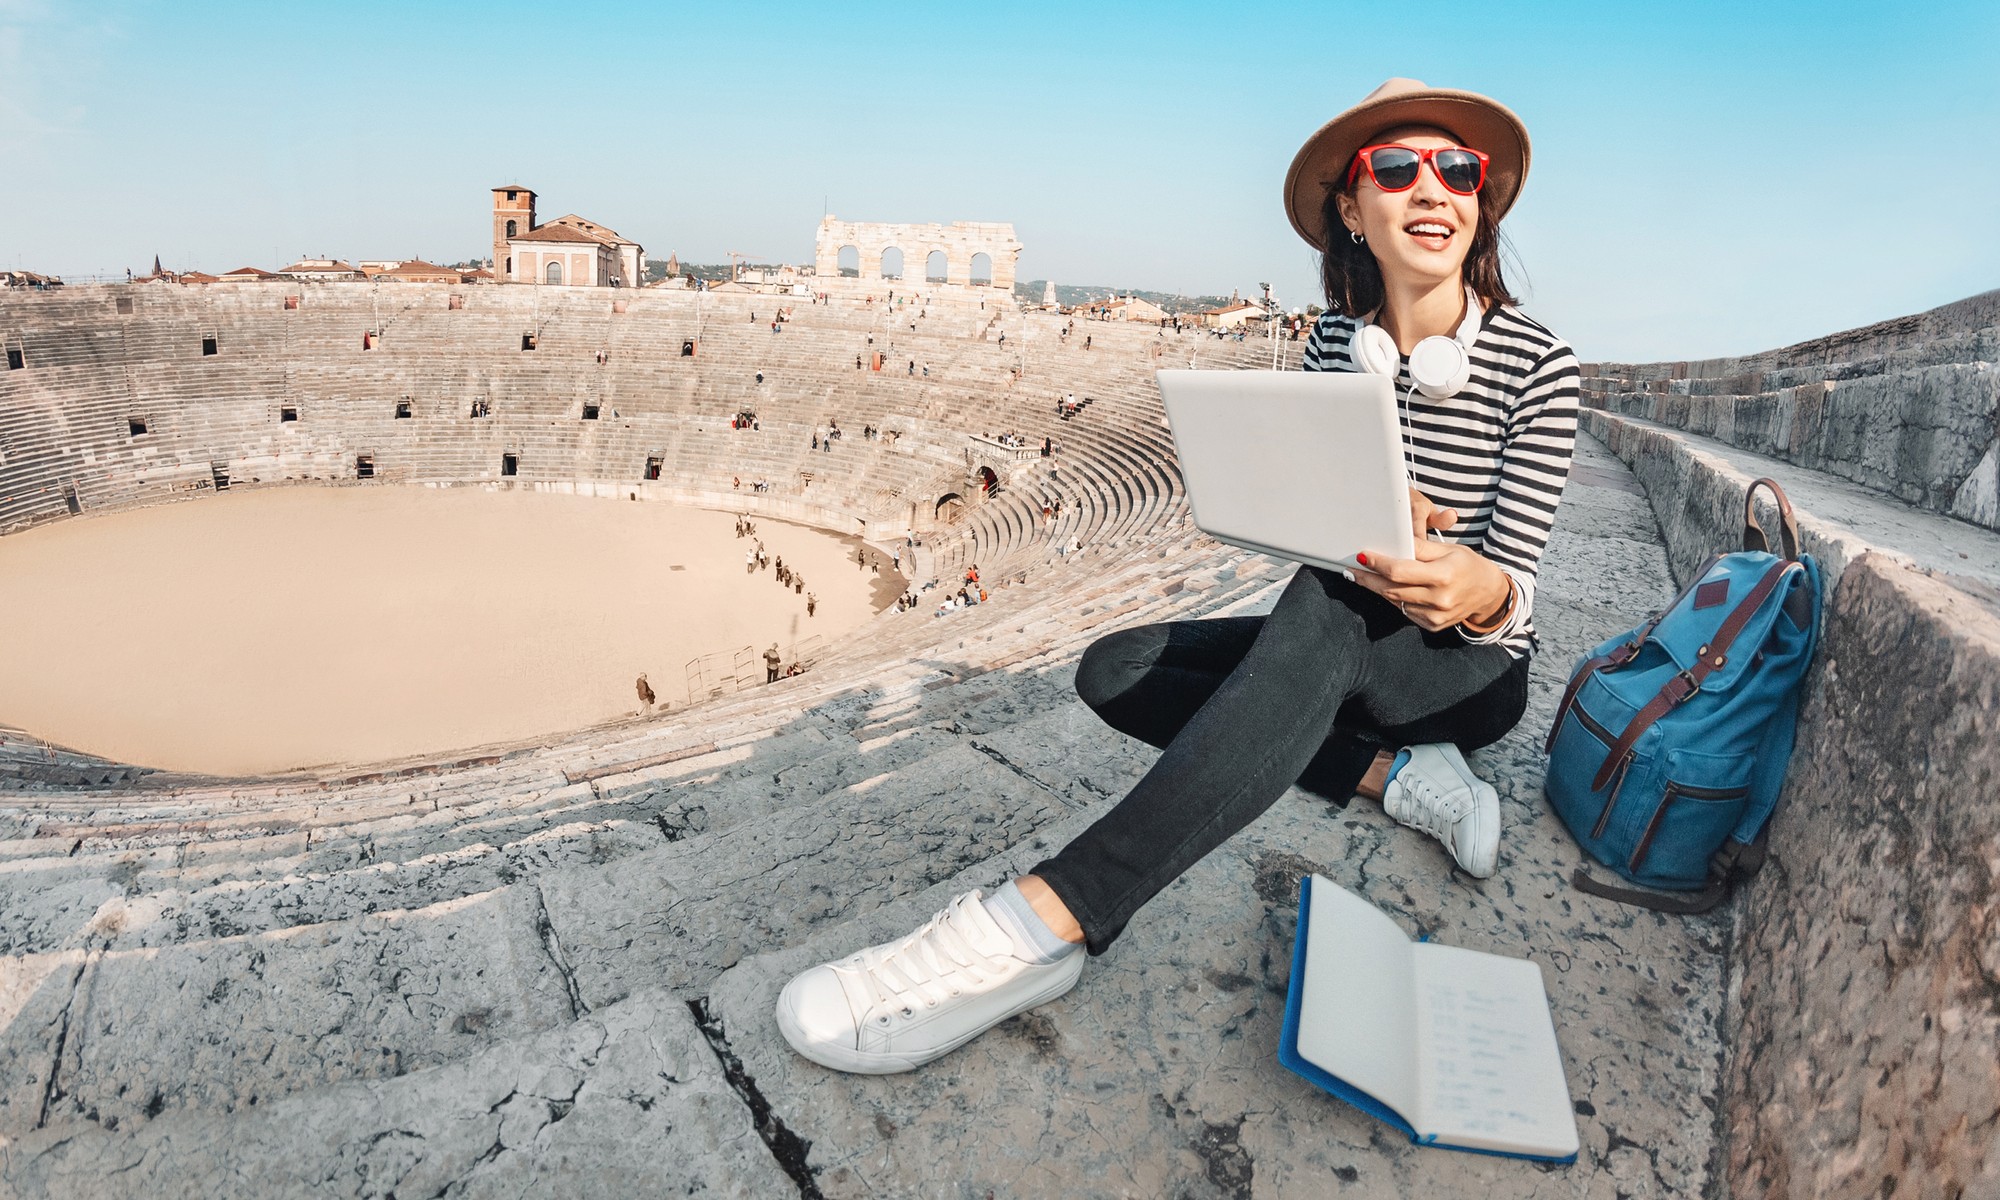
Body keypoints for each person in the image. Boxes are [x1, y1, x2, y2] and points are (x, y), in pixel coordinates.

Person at [773, 78, 1579, 1075]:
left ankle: (1048, 921)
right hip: (1341, 637)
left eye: (1457, 169)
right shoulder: (1335, 344)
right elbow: (1319, 526)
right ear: (1349, 208)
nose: (1432, 190)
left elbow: (1519, 591)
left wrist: (1477, 588)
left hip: (1463, 671)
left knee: (1324, 603)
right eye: (1397, 168)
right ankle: (1386, 774)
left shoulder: (1539, 363)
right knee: (1113, 671)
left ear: (1479, 199)